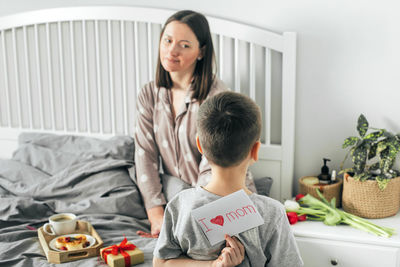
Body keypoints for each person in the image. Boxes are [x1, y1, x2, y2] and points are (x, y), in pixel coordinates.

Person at [134, 10, 256, 238]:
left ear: (201, 52)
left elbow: (212, 168)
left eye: (184, 45)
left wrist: (186, 221)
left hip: (219, 195)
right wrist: (157, 216)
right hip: (180, 196)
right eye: (167, 41)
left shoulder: (217, 97)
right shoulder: (149, 94)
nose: (172, 51)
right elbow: (145, 156)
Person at [153, 91, 303, 267]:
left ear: (200, 145)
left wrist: (213, 265)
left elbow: (161, 263)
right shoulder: (272, 214)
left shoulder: (179, 205)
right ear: (255, 151)